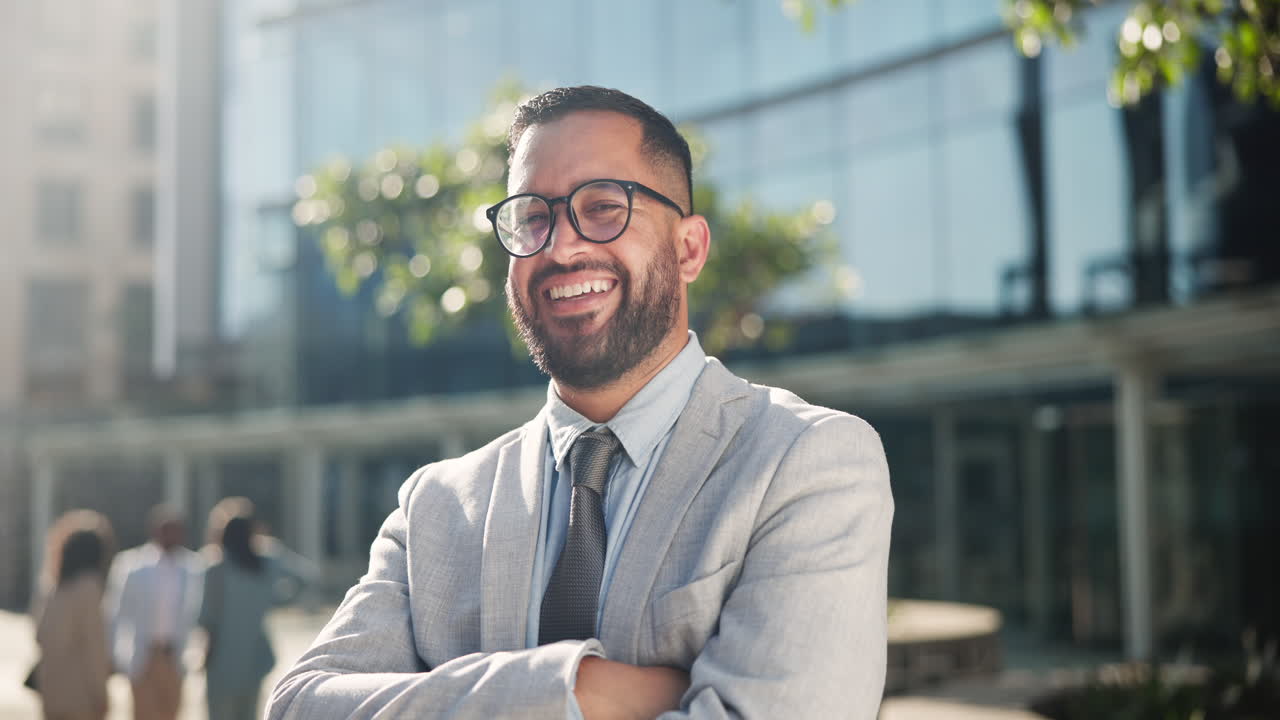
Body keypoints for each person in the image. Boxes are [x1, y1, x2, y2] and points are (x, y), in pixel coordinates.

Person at [267, 86, 893, 719]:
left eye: (602, 207)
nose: (560, 247)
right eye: (533, 217)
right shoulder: (436, 508)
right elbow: (298, 707)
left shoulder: (809, 462)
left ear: (689, 249)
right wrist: (578, 691)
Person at [199, 496, 314, 720]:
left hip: (222, 659)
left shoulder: (216, 567)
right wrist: (275, 600)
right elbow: (306, 577)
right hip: (255, 658)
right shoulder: (266, 561)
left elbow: (207, 618)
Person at [106, 505, 204, 720]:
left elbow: (197, 615)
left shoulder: (193, 567)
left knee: (171, 712)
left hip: (174, 656)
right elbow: (117, 613)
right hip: (143, 656)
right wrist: (114, 654)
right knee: (142, 713)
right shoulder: (133, 565)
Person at [33, 509, 116, 720]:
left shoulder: (53, 587)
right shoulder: (89, 588)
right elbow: (94, 648)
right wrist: (101, 694)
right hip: (81, 696)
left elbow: (40, 634)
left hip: (51, 691)